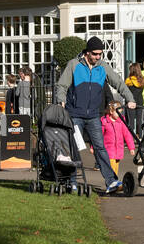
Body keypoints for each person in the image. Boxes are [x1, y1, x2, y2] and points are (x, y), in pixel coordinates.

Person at [55, 37, 137, 194]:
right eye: (95, 54)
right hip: (75, 114)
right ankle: (72, 182)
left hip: (93, 115)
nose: (98, 57)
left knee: (100, 148)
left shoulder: (102, 67)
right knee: (74, 148)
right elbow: (62, 85)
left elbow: (118, 82)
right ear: (87, 52)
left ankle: (111, 181)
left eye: (100, 54)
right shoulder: (74, 65)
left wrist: (130, 98)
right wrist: (61, 100)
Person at [101, 100, 137, 179]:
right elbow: (99, 136)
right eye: (118, 112)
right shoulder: (105, 122)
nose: (119, 114)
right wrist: (93, 147)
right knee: (112, 168)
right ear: (111, 111)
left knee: (116, 168)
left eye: (121, 112)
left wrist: (131, 147)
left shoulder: (121, 122)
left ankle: (114, 183)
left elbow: (127, 134)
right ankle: (112, 183)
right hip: (109, 150)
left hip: (118, 150)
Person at [124, 62, 144, 136]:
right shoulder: (142, 80)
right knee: (139, 121)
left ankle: (129, 138)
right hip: (140, 101)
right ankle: (140, 137)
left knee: (130, 121)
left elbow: (125, 91)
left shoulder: (128, 80)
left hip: (130, 102)